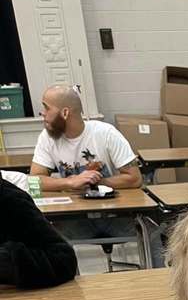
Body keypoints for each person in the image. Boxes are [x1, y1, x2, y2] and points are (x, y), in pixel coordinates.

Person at [29, 84, 164, 267]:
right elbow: (34, 181)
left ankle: (158, 285)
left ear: (65, 113)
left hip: (116, 216)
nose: (42, 113)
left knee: (151, 231)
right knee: (45, 235)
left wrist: (99, 181)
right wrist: (71, 181)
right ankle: (68, 289)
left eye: (46, 107)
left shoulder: (105, 133)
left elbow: (134, 178)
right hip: (74, 220)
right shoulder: (47, 139)